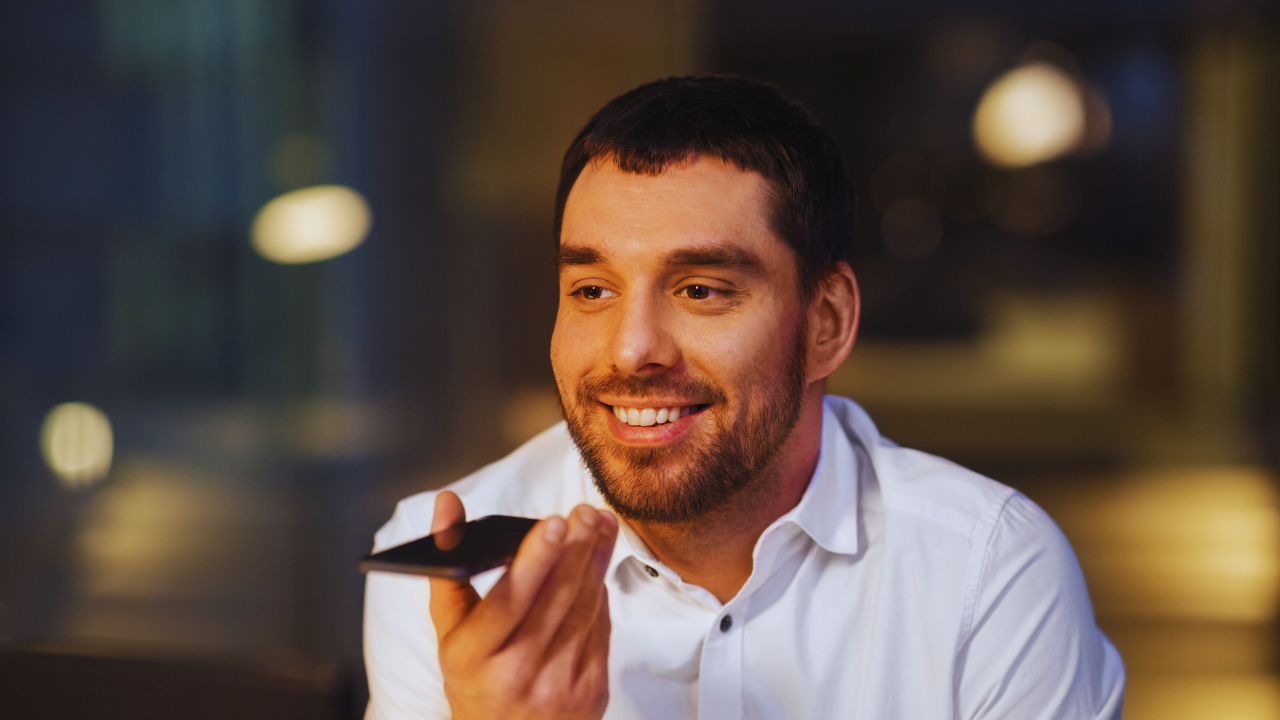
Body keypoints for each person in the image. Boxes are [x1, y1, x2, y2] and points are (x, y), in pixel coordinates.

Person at [363, 75, 1125, 720]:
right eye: (591, 289)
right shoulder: (453, 577)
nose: (632, 349)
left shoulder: (984, 574)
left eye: (701, 290)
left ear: (825, 324)